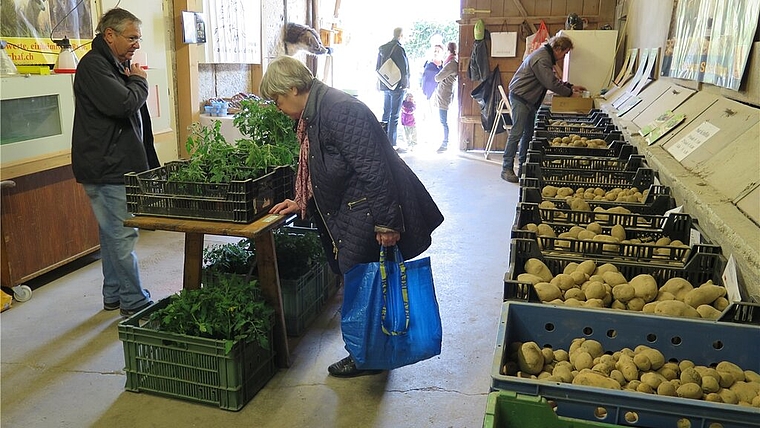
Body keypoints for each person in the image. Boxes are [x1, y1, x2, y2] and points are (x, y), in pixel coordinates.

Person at [261, 56, 444, 378]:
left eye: (276, 99)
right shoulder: (317, 112)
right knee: (365, 282)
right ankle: (371, 351)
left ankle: (366, 358)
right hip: (351, 208)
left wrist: (387, 223)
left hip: (365, 211)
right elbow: (327, 164)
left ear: (292, 89)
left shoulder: (339, 110)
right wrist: (302, 199)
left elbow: (375, 170)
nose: (276, 106)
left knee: (364, 285)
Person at [71, 8, 158, 317]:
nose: (136, 44)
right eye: (131, 37)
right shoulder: (94, 66)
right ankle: (134, 300)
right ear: (110, 35)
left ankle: (114, 295)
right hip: (107, 167)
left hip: (110, 164)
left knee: (111, 233)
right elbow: (123, 104)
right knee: (122, 235)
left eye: (138, 38)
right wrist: (140, 81)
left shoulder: (111, 65)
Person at [500, 35, 586, 183]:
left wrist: (570, 87)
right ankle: (506, 168)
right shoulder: (542, 58)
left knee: (528, 134)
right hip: (521, 97)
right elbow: (550, 82)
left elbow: (551, 80)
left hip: (529, 99)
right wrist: (571, 94)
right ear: (558, 49)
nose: (563, 57)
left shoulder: (546, 56)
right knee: (517, 133)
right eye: (564, 53)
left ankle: (523, 168)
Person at [376, 27, 410, 151]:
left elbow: (377, 67)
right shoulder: (399, 49)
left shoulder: (382, 48)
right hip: (397, 86)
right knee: (394, 115)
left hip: (386, 84)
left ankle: (382, 140)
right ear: (400, 35)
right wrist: (405, 85)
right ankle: (392, 144)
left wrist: (381, 83)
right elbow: (404, 69)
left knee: (386, 113)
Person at [433, 42, 458, 153]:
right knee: (443, 119)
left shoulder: (452, 63)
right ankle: (445, 141)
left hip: (445, 92)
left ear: (448, 50)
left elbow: (438, 77)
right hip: (446, 92)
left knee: (443, 120)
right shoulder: (453, 61)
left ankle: (445, 143)